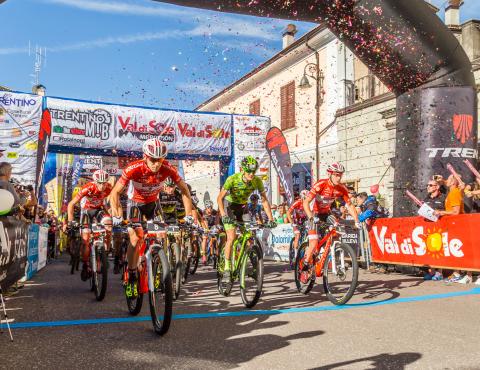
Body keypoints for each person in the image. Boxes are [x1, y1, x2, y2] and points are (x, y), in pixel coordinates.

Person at [110, 138, 195, 298]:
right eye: (153, 160)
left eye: (160, 159)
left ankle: (157, 265)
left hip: (153, 204)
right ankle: (132, 272)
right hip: (135, 203)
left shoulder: (168, 169)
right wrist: (116, 214)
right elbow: (115, 192)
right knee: (135, 238)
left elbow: (185, 190)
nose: (156, 164)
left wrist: (189, 214)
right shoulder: (133, 168)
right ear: (145, 156)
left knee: (161, 235)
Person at [217, 156, 276, 283]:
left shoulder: (257, 181)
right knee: (231, 237)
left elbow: (264, 201)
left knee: (250, 237)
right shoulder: (232, 179)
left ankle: (254, 268)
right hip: (230, 207)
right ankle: (227, 268)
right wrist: (223, 216)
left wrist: (271, 219)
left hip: (243, 208)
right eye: (249, 171)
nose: (251, 174)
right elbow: (219, 198)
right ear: (243, 170)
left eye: (253, 171)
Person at [302, 162, 360, 269]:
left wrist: (357, 221)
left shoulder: (341, 189)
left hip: (326, 214)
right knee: (314, 242)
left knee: (337, 231)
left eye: (340, 175)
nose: (338, 178)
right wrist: (310, 216)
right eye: (336, 175)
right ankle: (305, 263)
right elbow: (306, 202)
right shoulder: (321, 184)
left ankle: (329, 253)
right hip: (314, 214)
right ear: (329, 174)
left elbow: (350, 205)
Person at [66, 169, 112, 281]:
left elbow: (107, 202)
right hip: (86, 211)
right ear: (95, 182)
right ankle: (85, 264)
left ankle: (105, 251)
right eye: (99, 183)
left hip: (98, 210)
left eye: (104, 183)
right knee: (85, 240)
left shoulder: (109, 188)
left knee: (109, 224)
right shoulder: (88, 187)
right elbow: (71, 204)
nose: (102, 185)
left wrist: (110, 215)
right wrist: (70, 221)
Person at [286, 189, 309, 255]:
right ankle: (296, 255)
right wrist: (291, 223)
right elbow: (288, 212)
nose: (307, 199)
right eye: (306, 197)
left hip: (304, 220)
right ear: (302, 197)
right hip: (296, 221)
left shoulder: (309, 203)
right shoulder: (297, 202)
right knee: (298, 235)